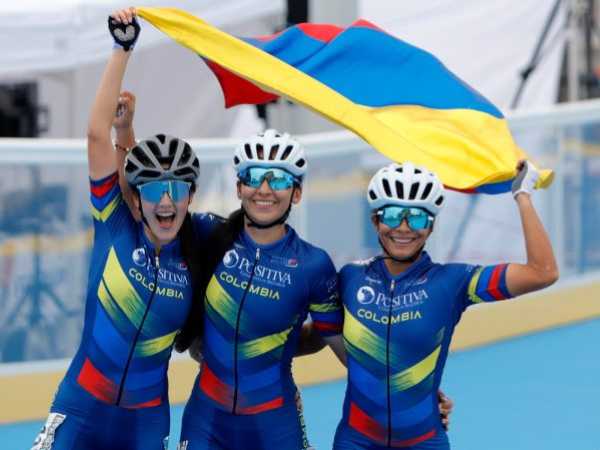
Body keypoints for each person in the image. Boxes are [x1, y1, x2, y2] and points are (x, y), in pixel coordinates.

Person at [31, 11, 201, 450]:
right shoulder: (115, 228)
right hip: (83, 404)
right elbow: (94, 137)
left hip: (145, 421)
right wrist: (121, 49)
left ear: (191, 197)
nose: (166, 201)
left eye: (177, 189)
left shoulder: (197, 248)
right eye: (156, 191)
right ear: (138, 198)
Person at [332, 161, 559, 449]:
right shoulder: (350, 278)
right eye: (391, 215)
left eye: (416, 218)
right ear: (375, 220)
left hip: (424, 441)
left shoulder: (452, 282)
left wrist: (522, 195)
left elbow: (543, 272)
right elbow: (319, 334)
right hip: (356, 441)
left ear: (431, 225)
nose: (403, 228)